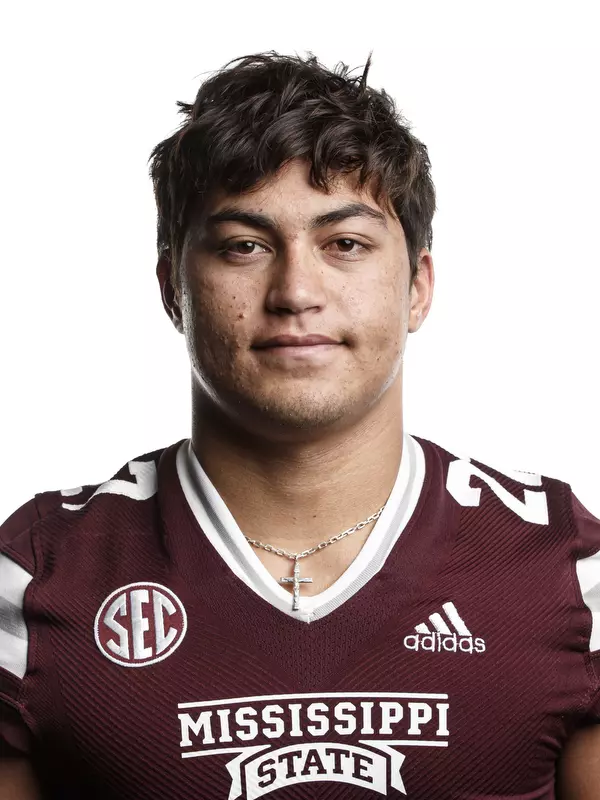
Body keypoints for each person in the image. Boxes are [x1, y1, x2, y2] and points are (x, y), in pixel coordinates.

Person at [0, 50, 598, 800]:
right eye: (244, 246)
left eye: (344, 243)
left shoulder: (564, 570)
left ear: (417, 287)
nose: (295, 291)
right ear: (173, 289)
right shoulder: (36, 579)